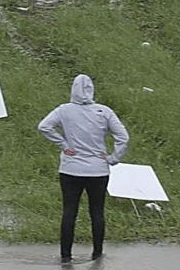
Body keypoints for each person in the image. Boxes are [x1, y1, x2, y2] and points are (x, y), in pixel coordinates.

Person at [38, 73, 130, 260]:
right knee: (97, 212)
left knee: (69, 211)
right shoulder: (104, 111)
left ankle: (65, 255)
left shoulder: (64, 110)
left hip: (70, 169)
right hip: (98, 169)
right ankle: (97, 253)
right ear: (91, 90)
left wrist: (64, 144)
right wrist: (113, 158)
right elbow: (123, 137)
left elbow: (44, 126)